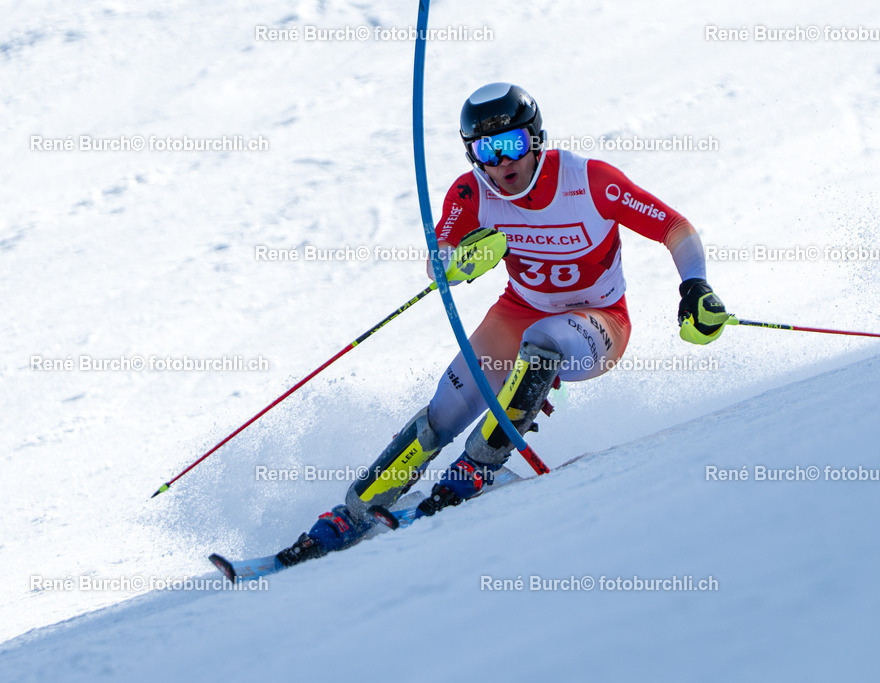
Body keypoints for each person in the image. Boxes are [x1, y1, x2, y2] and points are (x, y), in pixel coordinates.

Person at [275, 82, 729, 566]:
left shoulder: (589, 181)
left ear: (536, 139)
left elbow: (675, 227)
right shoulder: (471, 192)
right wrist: (457, 262)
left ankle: (476, 468)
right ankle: (353, 512)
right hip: (518, 311)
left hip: (598, 323)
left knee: (544, 341)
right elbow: (439, 256)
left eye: (511, 144)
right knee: (445, 409)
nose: (502, 163)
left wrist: (694, 285)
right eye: (485, 151)